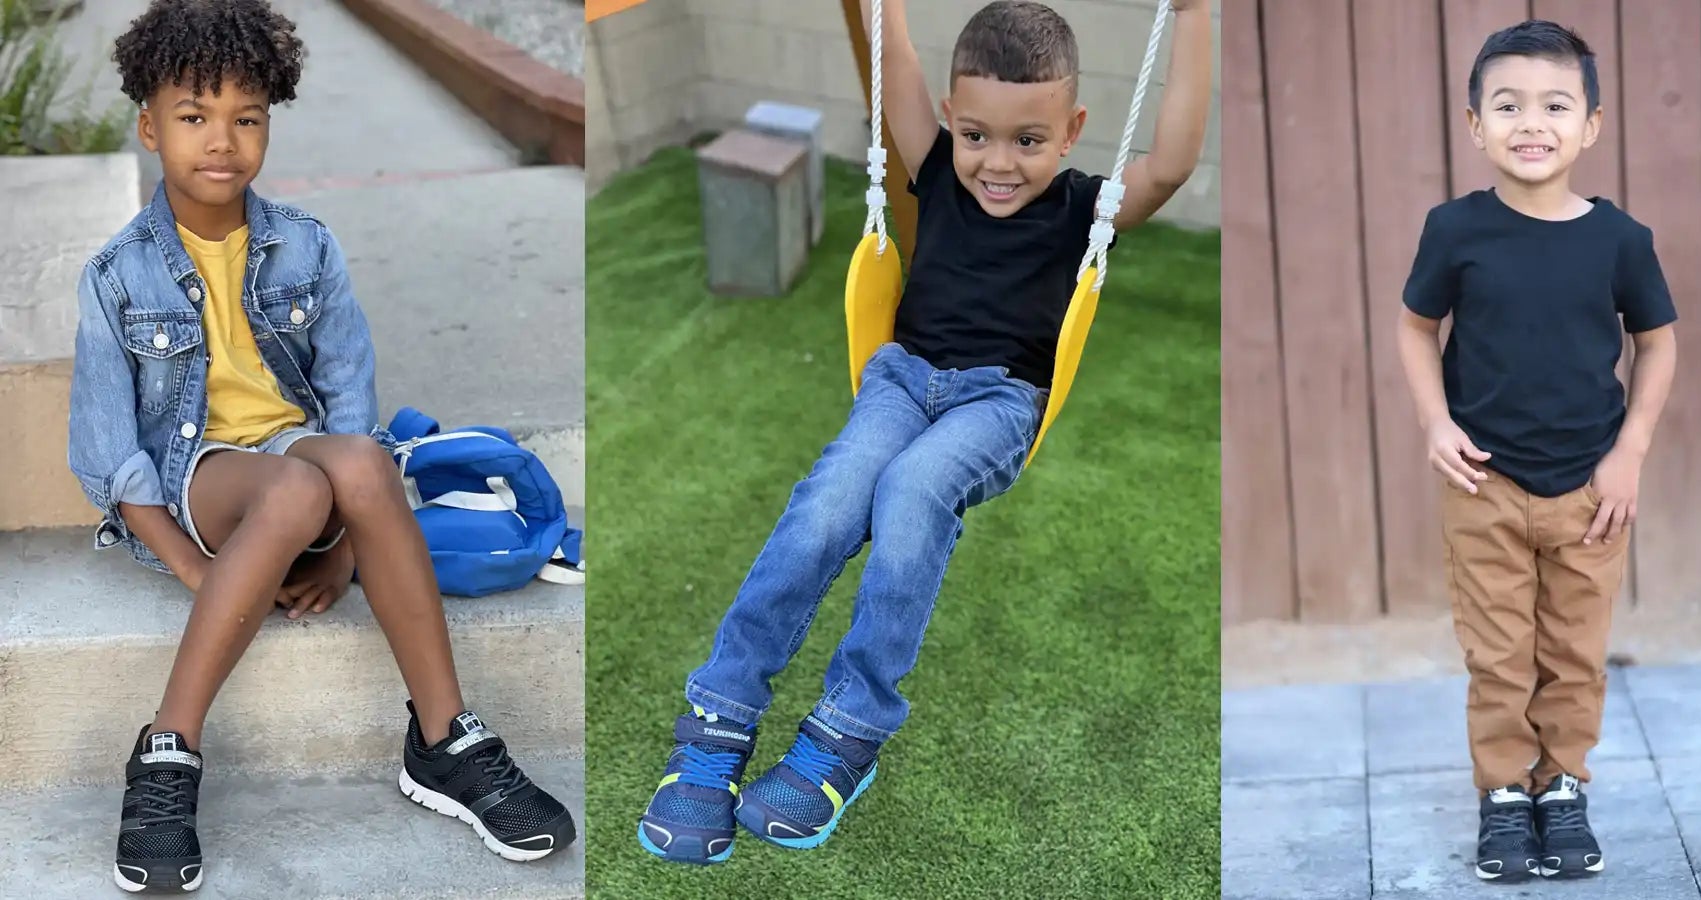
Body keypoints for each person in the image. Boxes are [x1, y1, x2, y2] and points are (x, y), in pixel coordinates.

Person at [635, 0, 1214, 864]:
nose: (998, 162)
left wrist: (1200, 15)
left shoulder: (1086, 211)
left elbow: (1168, 165)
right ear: (950, 120)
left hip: (1000, 402)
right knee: (828, 504)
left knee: (912, 491)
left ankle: (849, 729)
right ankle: (719, 721)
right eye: (977, 134)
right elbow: (895, 54)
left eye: (1029, 140)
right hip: (904, 377)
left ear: (1073, 131)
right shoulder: (937, 167)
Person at [67, 1, 576, 892]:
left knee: (351, 462)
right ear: (149, 127)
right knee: (301, 491)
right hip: (205, 480)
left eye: (246, 118)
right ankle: (167, 751)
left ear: (269, 124)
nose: (221, 141)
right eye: (193, 116)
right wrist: (200, 573)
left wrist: (344, 555)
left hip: (307, 470)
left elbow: (349, 415)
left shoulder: (306, 246)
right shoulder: (116, 275)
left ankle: (444, 739)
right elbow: (113, 457)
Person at [1397, 20, 1679, 883]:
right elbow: (1416, 327)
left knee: (1574, 651)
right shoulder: (1455, 230)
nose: (1532, 122)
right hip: (1484, 483)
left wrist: (1629, 452)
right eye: (1508, 104)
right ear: (1476, 124)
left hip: (1591, 489)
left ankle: (1562, 786)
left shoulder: (1620, 240)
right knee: (1498, 654)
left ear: (1590, 124)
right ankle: (1503, 798)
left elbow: (1659, 343)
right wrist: (1437, 425)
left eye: (1556, 104)